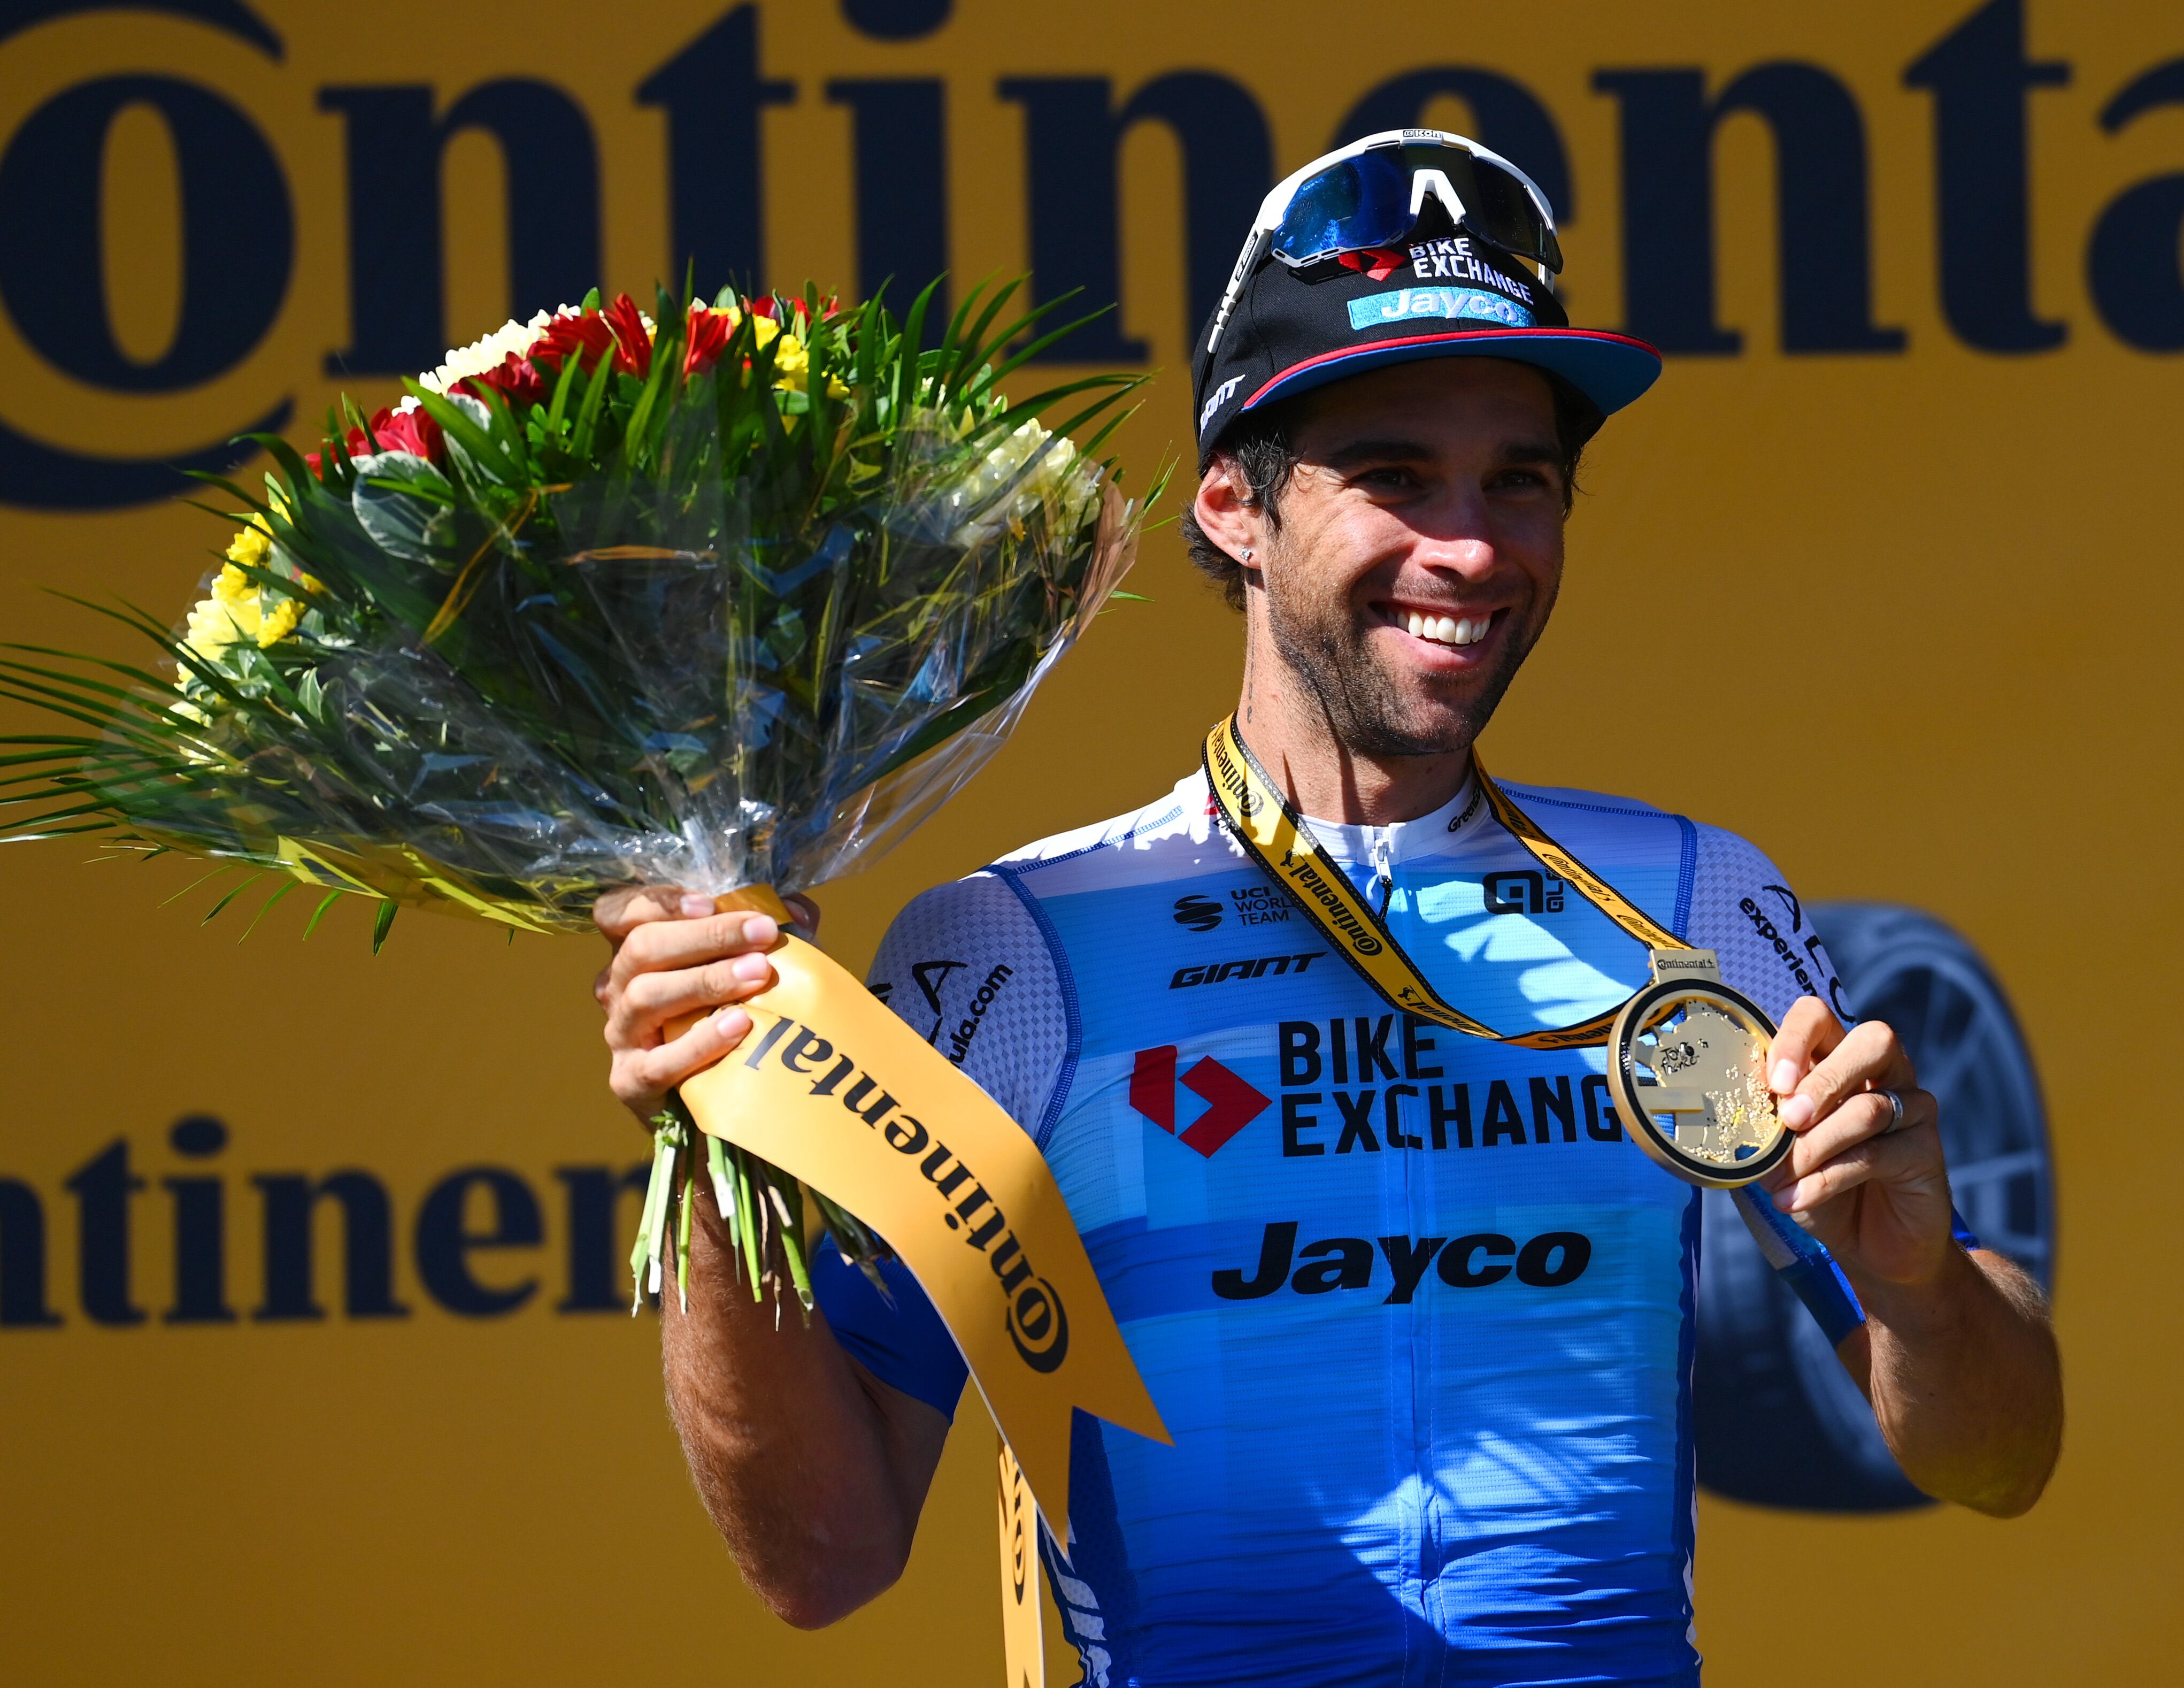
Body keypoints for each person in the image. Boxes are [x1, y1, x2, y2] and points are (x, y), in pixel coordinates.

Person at [592, 131, 2063, 1685]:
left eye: (1520, 480)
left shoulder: (1697, 901)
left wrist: (1922, 1293)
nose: (1471, 546)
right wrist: (712, 1145)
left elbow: (1999, 1461)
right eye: (1394, 475)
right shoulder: (1012, 953)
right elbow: (823, 1558)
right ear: (1234, 502)